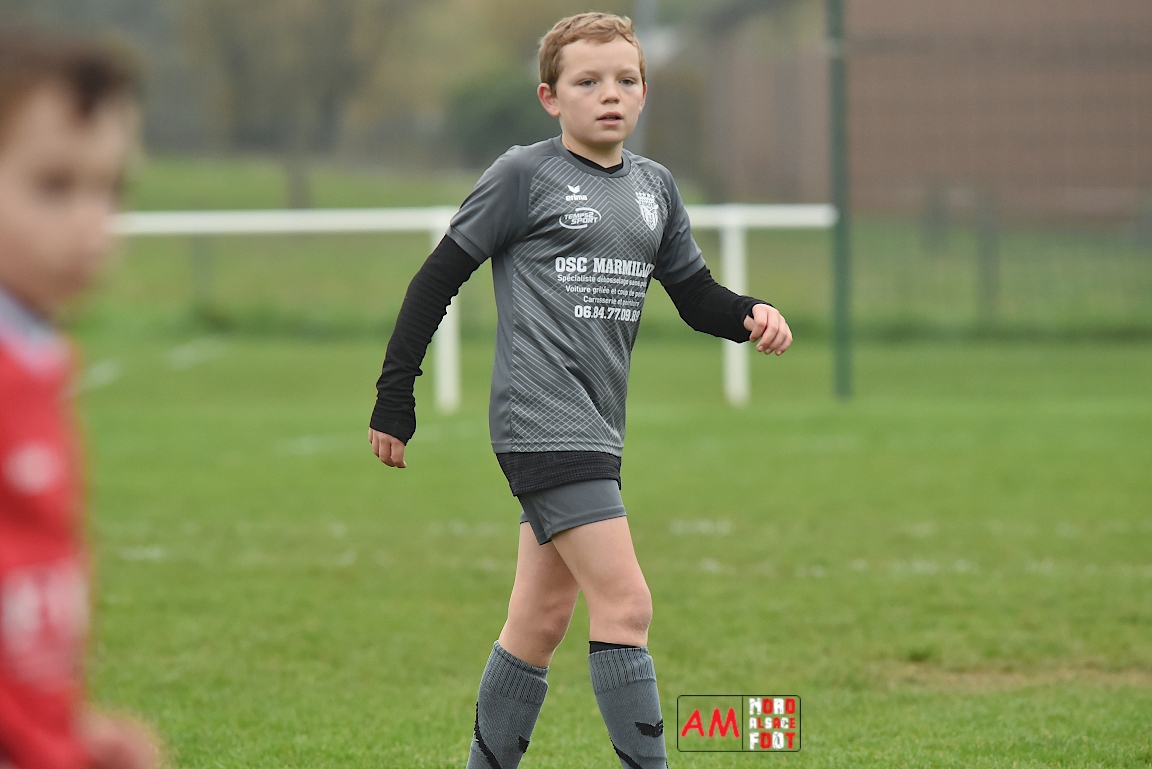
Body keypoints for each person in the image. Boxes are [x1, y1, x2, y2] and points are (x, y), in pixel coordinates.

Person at [369, 12, 792, 769]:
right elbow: (436, 279)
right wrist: (394, 396)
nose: (610, 95)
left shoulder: (655, 188)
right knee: (626, 605)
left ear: (644, 91)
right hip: (541, 419)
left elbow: (695, 296)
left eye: (626, 80)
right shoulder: (523, 176)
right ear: (550, 97)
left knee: (537, 622)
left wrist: (749, 313)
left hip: (596, 424)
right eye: (588, 82)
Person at [0, 29, 159, 769]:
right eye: (55, 185)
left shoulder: (37, 357)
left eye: (110, 188)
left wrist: (67, 731)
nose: (91, 222)